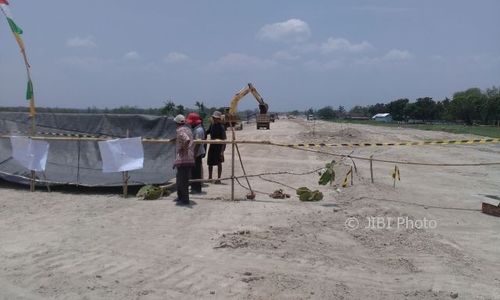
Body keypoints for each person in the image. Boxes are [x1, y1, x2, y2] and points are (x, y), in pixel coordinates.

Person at [173, 114, 195, 205]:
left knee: (182, 179)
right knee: (181, 178)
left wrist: (183, 149)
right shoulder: (188, 129)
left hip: (183, 158)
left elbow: (187, 140)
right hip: (189, 157)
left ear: (177, 123)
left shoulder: (179, 130)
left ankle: (184, 199)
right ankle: (181, 196)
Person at [186, 112, 205, 193]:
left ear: (194, 122)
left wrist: (193, 155)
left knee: (196, 172)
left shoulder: (198, 130)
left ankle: (196, 188)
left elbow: (197, 144)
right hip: (196, 153)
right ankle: (195, 187)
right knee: (194, 171)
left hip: (196, 153)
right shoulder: (197, 129)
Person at [206, 111, 226, 183]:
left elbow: (224, 139)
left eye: (216, 118)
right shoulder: (212, 125)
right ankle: (210, 177)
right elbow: (207, 132)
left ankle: (219, 179)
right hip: (212, 146)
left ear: (219, 119)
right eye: (214, 118)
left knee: (219, 162)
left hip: (219, 147)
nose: (214, 119)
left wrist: (222, 151)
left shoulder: (221, 127)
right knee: (210, 162)